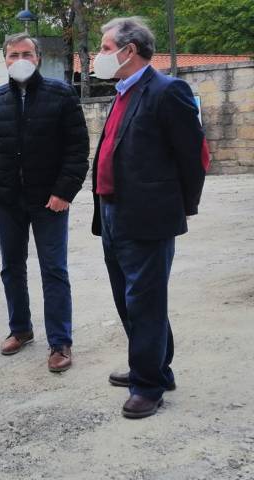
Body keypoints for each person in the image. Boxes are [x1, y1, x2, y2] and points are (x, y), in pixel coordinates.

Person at [91, 17, 207, 419]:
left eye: (105, 48)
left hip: (148, 216)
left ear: (130, 50)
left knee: (145, 301)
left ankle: (148, 385)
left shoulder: (167, 90)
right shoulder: (122, 92)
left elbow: (194, 156)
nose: (99, 55)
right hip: (111, 212)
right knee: (129, 299)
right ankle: (156, 367)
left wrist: (179, 207)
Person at [0, 33, 89, 372]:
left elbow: (77, 149)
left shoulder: (61, 95)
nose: (20, 60)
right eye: (13, 55)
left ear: (38, 58)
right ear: (5, 60)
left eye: (26, 54)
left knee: (54, 269)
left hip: (50, 201)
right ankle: (20, 329)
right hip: (8, 199)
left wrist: (64, 192)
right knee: (11, 267)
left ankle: (60, 342)